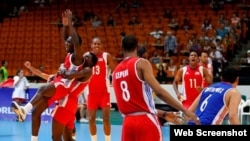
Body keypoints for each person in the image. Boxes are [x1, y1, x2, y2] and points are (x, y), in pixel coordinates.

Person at [12, 9, 92, 141]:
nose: (66, 43)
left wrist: (71, 24)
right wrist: (65, 26)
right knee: (37, 112)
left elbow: (76, 42)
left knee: (43, 90)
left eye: (69, 42)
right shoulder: (69, 54)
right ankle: (32, 135)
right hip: (60, 89)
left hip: (64, 89)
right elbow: (65, 39)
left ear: (76, 45)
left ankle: (24, 110)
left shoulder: (78, 59)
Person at [112, 35, 200, 141]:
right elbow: (159, 92)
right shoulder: (141, 63)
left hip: (127, 123)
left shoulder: (115, 71)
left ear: (122, 48)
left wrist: (163, 113)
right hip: (146, 121)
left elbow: (135, 106)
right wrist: (185, 111)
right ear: (137, 47)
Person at [86, 37, 117, 141]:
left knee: (106, 119)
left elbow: (115, 70)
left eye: (98, 44)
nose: (96, 46)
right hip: (91, 93)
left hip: (104, 92)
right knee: (91, 119)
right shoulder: (87, 56)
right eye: (95, 44)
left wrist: (114, 81)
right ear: (91, 45)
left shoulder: (106, 56)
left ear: (101, 45)